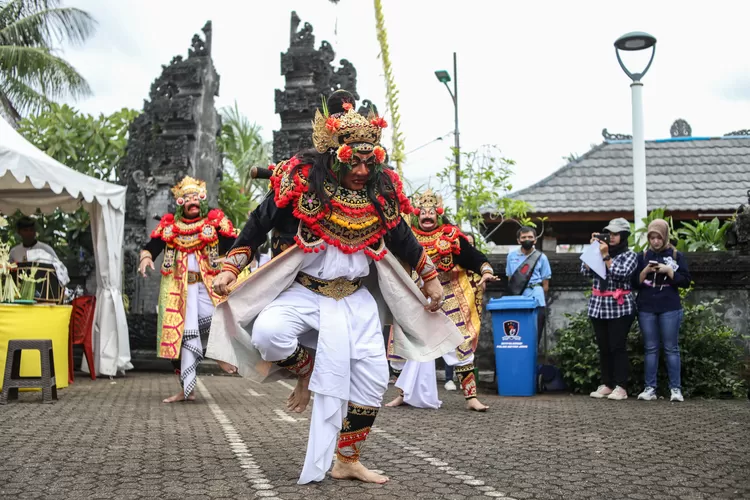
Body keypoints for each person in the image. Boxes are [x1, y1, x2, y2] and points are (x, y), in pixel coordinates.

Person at [206, 90, 463, 485]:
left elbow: (401, 236)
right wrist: (230, 267)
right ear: (335, 154)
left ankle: (347, 459)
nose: (361, 170)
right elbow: (259, 222)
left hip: (356, 298)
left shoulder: (382, 189)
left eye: (368, 161)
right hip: (303, 291)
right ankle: (306, 370)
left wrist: (429, 277)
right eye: (353, 161)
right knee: (269, 334)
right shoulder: (303, 181)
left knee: (375, 377)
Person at [386, 189, 498, 412]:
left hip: (447, 297)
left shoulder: (450, 236)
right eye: (423, 213)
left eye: (431, 213)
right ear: (417, 214)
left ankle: (471, 398)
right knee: (401, 346)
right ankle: (403, 394)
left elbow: (472, 256)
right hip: (414, 297)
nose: (427, 217)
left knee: (460, 344)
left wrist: (485, 270)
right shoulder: (406, 237)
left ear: (438, 215)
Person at [138, 176, 237, 403]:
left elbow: (236, 245)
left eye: (195, 197)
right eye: (186, 198)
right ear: (179, 202)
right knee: (177, 338)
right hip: (178, 290)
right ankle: (186, 389)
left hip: (208, 286)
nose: (191, 201)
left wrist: (238, 264)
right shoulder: (170, 226)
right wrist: (145, 259)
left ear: (202, 199)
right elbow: (151, 247)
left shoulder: (215, 222)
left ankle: (217, 353)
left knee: (219, 318)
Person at [581, 218, 638, 401]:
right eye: (609, 233)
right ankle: (607, 384)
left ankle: (621, 386)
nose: (611, 237)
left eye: (615, 234)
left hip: (620, 307)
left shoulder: (630, 255)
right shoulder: (598, 252)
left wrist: (606, 256)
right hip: (598, 306)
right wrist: (593, 250)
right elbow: (585, 271)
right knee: (603, 347)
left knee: (617, 346)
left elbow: (621, 274)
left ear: (624, 236)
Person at [635, 219, 691, 402]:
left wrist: (669, 271)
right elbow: (632, 283)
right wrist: (644, 272)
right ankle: (650, 388)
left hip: (670, 306)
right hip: (647, 307)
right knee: (650, 348)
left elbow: (686, 281)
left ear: (665, 236)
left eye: (658, 238)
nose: (655, 242)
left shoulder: (675, 255)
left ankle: (675, 389)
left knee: (671, 348)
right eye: (652, 238)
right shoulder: (642, 256)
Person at [505, 226, 552, 348]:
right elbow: (510, 279)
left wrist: (539, 295)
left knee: (535, 334)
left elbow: (545, 284)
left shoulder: (542, 257)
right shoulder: (511, 256)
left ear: (535, 240)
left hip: (536, 298)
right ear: (518, 240)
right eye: (524, 237)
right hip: (517, 299)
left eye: (530, 237)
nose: (527, 239)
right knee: (517, 334)